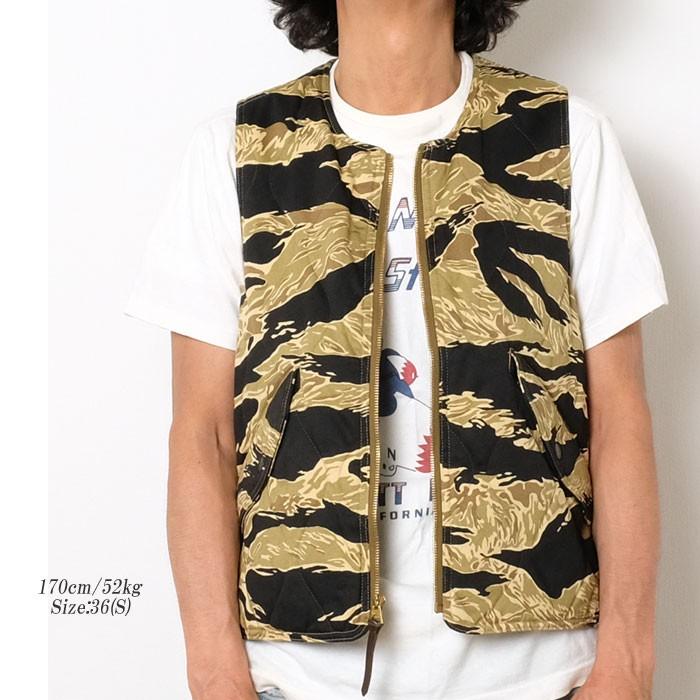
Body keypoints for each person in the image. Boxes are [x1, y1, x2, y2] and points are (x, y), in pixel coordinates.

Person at [126, 1, 668, 699]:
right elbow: (202, 434)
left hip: (537, 667)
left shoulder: (566, 137)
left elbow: (619, 415)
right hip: (301, 672)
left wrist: (628, 667)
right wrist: (214, 675)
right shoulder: (240, 150)